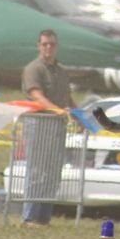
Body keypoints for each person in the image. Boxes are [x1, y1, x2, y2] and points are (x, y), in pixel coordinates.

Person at [20, 29, 75, 227]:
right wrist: (57, 110)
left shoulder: (61, 71)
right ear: (39, 46)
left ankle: (43, 218)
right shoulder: (33, 69)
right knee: (37, 169)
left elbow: (67, 97)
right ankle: (29, 217)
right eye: (45, 44)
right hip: (38, 124)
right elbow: (37, 95)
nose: (49, 47)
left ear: (57, 46)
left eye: (52, 44)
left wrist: (77, 115)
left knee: (52, 171)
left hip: (58, 126)